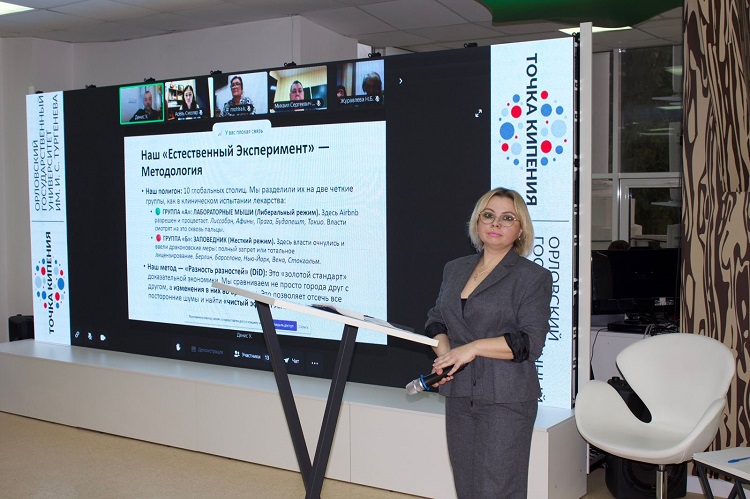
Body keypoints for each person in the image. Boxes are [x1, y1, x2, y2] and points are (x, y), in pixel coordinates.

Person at [425, 187, 552, 498]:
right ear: (477, 222)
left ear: (520, 229)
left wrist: (472, 348)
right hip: (459, 394)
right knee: (466, 487)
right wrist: (446, 355)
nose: (496, 223)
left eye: (507, 218)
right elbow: (436, 320)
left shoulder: (532, 277)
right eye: (489, 215)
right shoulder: (454, 269)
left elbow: (529, 342)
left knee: (498, 490)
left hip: (506, 399)